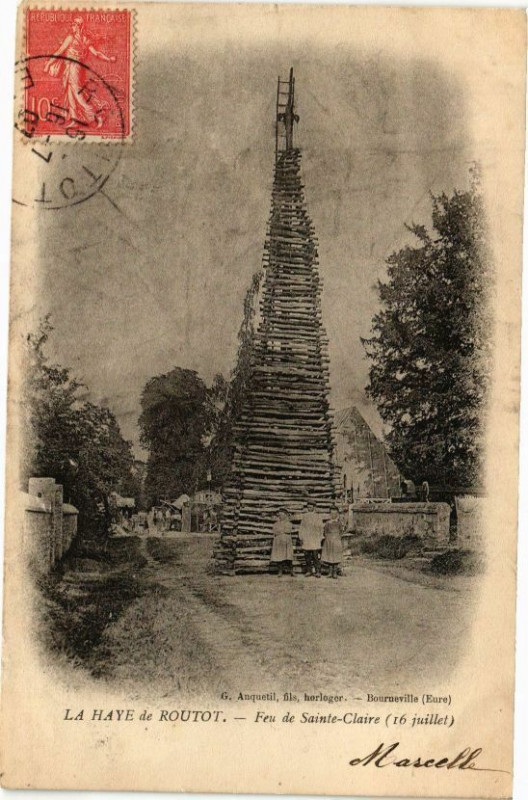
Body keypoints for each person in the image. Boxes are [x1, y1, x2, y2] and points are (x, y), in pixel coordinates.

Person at [44, 16, 116, 129]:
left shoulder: (73, 38)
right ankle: (75, 120)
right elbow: (96, 53)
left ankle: (96, 115)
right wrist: (109, 59)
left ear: (79, 26)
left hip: (74, 67)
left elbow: (59, 51)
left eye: (74, 24)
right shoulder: (84, 39)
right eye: (72, 24)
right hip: (70, 67)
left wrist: (48, 64)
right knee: (70, 94)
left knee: (77, 93)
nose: (72, 26)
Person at [298, 501, 324, 578]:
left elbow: (321, 528)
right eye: (308, 507)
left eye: (311, 507)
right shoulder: (305, 516)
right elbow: (301, 527)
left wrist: (320, 537)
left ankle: (317, 571)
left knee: (315, 556)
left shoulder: (318, 516)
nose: (309, 508)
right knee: (307, 556)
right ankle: (309, 571)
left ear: (314, 507)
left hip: (315, 539)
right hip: (307, 539)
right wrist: (301, 537)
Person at [270, 509, 294, 577]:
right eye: (279, 515)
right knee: (279, 556)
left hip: (286, 541)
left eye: (282, 515)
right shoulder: (276, 524)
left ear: (285, 515)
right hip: (278, 542)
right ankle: (280, 571)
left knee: (288, 556)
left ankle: (291, 571)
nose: (280, 516)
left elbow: (288, 530)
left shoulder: (289, 523)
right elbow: (275, 532)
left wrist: (281, 531)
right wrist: (281, 531)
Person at [321, 506, 343, 579]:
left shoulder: (339, 523)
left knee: (336, 556)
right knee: (329, 556)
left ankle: (335, 573)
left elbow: (341, 531)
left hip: (336, 541)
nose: (333, 515)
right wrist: (328, 538)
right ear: (330, 514)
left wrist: (337, 537)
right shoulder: (328, 523)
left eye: (335, 514)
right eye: (332, 513)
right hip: (329, 541)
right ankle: (330, 573)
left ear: (337, 514)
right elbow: (325, 532)